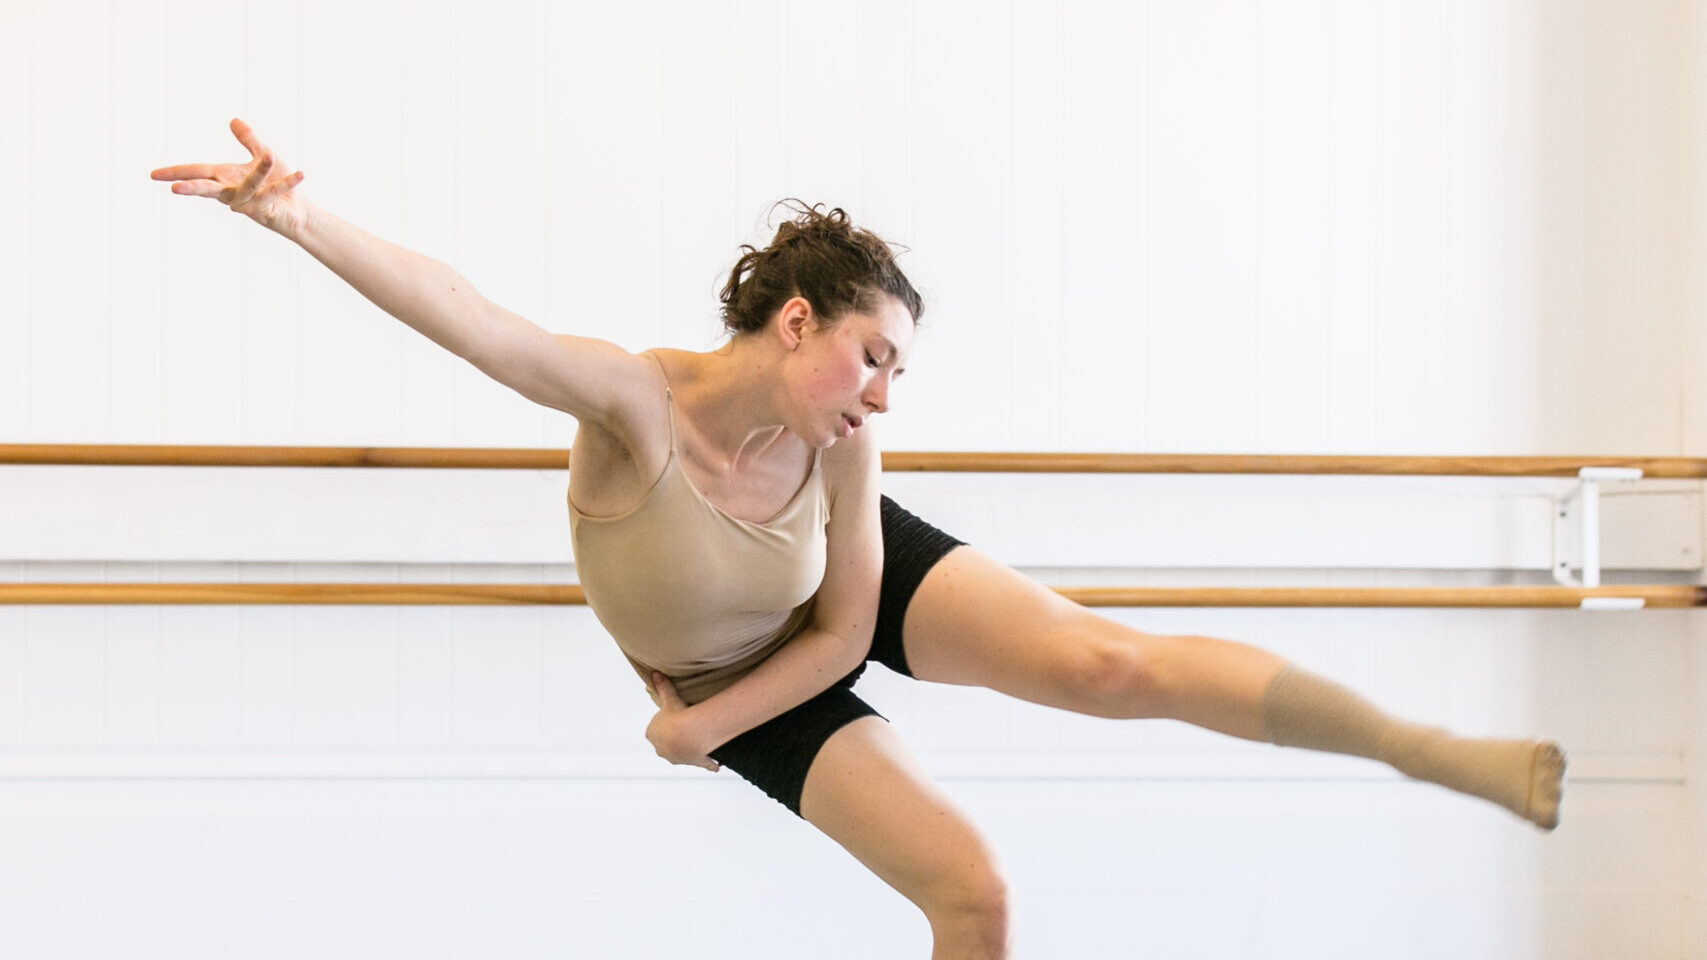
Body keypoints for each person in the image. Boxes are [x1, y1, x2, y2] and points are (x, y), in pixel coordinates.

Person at [154, 119, 1566, 960]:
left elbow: (842, 631)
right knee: (975, 889)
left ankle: (1423, 748)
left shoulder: (847, 444)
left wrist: (698, 737)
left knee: (1104, 665)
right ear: (795, 326)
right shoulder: (639, 409)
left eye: (900, 373)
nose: (888, 394)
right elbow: (482, 323)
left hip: (808, 619)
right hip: (730, 682)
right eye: (874, 358)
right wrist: (296, 218)